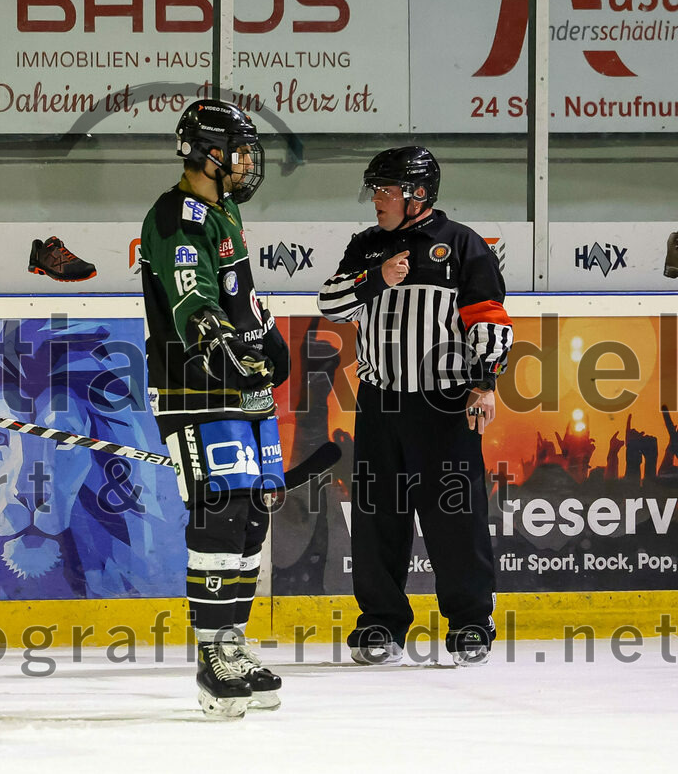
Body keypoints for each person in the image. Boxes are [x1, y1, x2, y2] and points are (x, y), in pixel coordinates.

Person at [318, 146, 514, 667]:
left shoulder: (462, 245)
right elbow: (331, 303)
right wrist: (376, 277)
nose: (376, 199)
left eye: (385, 189)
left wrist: (485, 384)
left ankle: (471, 621)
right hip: (380, 402)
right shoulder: (366, 247)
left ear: (417, 194)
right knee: (378, 517)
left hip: (445, 404)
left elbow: (490, 320)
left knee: (455, 515)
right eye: (375, 189)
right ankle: (380, 622)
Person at [139, 100, 291, 718]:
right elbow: (192, 296)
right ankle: (210, 655)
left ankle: (233, 639)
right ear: (208, 152)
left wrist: (265, 332)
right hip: (193, 386)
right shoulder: (176, 213)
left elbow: (236, 295)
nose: (248, 161)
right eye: (239, 148)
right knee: (220, 512)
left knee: (254, 510)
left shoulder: (223, 211)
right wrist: (215, 338)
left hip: (240, 386)